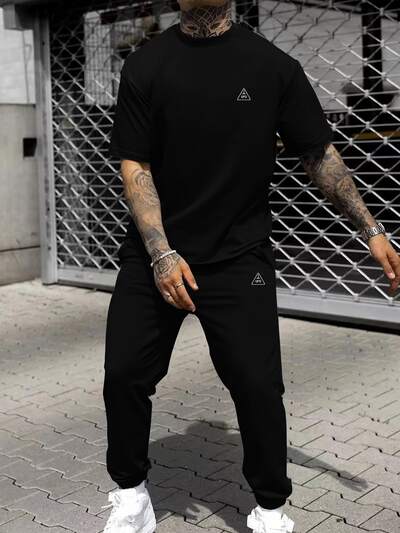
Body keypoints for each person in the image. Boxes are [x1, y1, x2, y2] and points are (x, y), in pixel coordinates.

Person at [103, 1, 400, 531]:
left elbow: (318, 155)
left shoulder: (272, 67)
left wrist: (371, 229)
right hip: (155, 253)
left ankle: (269, 509)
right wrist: (161, 252)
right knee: (124, 374)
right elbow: (135, 163)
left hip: (240, 257)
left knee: (258, 387)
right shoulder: (146, 65)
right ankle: (132, 496)